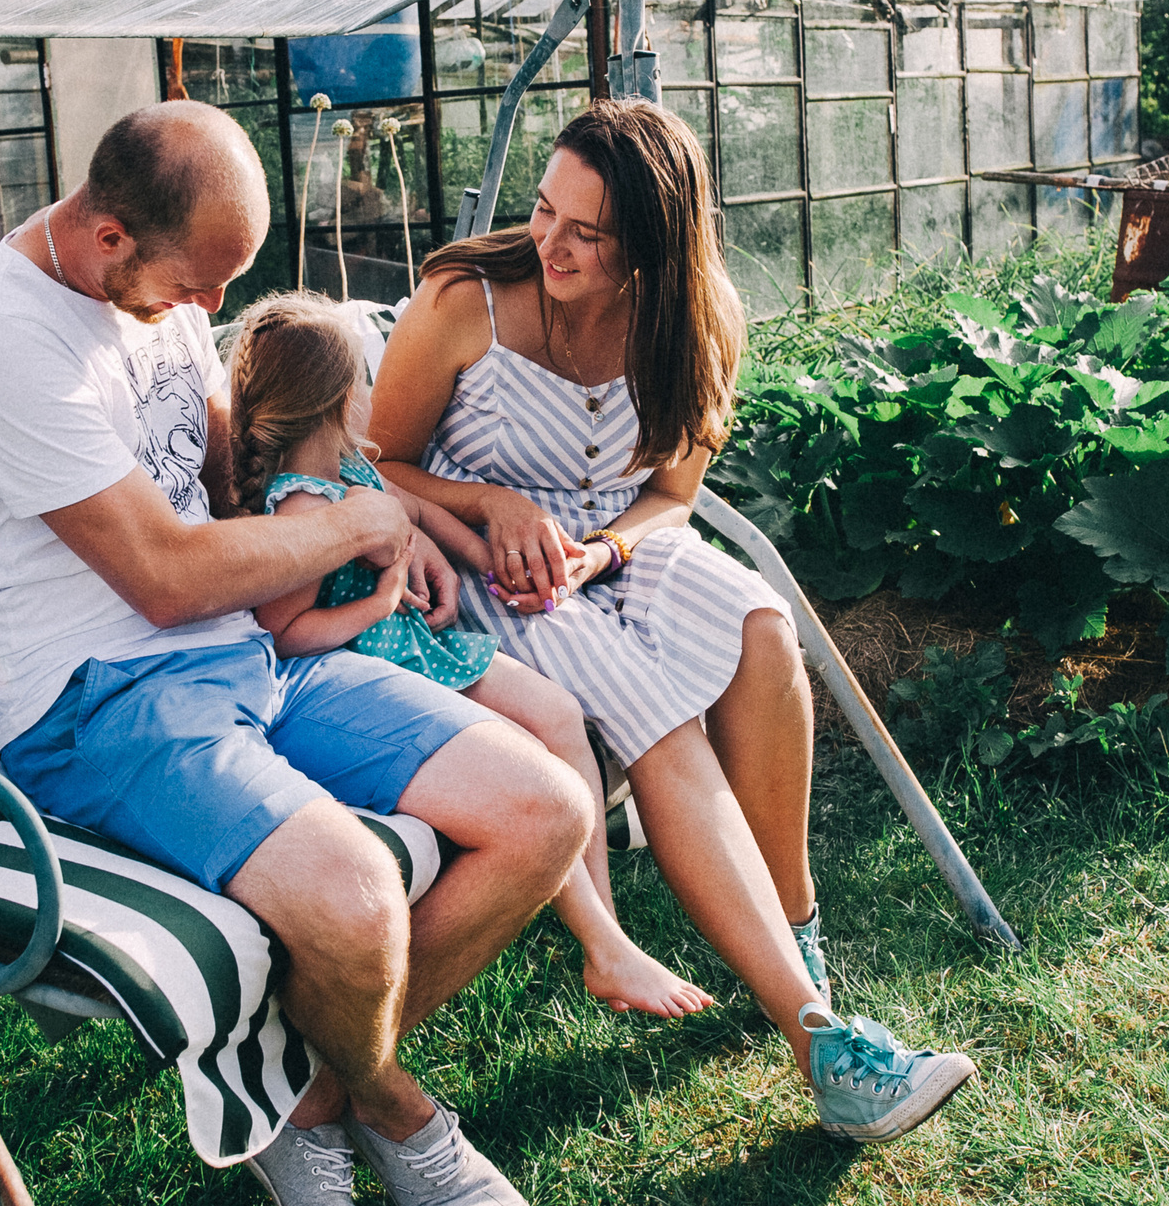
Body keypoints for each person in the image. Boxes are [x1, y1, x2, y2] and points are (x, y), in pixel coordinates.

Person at [0, 101, 598, 1206]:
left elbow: (249, 472)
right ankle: (392, 1110)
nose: (204, 317)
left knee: (544, 809)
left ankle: (307, 1098)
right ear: (109, 237)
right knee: (351, 901)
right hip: (101, 700)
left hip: (256, 659)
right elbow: (169, 577)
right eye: (195, 289)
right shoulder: (4, 340)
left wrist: (397, 529)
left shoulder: (159, 293)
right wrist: (352, 522)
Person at [367, 98, 976, 1144]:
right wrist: (493, 506)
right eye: (544, 210)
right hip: (492, 574)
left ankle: (792, 935)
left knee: (758, 625)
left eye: (585, 232)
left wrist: (605, 549)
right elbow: (375, 461)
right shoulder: (465, 300)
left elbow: (671, 497)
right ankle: (818, 1038)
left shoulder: (700, 318)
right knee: (658, 716)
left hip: (612, 552)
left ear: (651, 244)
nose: (548, 242)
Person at [224, 289, 711, 1020]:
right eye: (363, 379)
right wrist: (374, 605)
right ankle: (602, 943)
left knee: (559, 713)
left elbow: (418, 511)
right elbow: (285, 630)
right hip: (365, 671)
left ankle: (605, 932)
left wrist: (490, 560)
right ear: (335, 397)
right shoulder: (300, 508)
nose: (370, 393)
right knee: (527, 750)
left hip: (422, 647)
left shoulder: (355, 469)